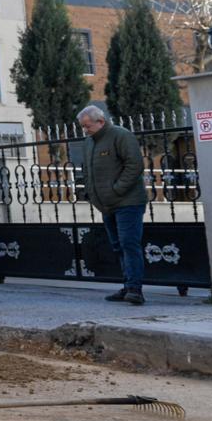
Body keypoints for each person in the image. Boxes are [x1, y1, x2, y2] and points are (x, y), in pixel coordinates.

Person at [78, 104, 149, 306]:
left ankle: (135, 289)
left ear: (101, 121)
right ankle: (128, 285)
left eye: (88, 125)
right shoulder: (89, 142)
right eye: (83, 126)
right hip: (106, 204)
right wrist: (91, 193)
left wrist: (116, 189)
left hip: (128, 202)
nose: (85, 130)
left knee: (129, 243)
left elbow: (134, 165)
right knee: (118, 246)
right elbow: (89, 170)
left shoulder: (121, 135)